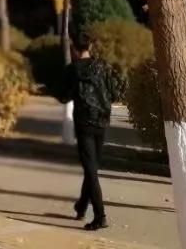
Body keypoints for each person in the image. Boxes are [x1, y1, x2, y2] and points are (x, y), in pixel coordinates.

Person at [53, 34, 119, 232]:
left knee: (90, 169)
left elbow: (63, 97)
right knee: (92, 167)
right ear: (90, 45)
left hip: (84, 123)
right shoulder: (104, 67)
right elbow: (115, 94)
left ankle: (100, 216)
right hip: (102, 121)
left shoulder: (72, 70)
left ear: (73, 49)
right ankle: (82, 205)